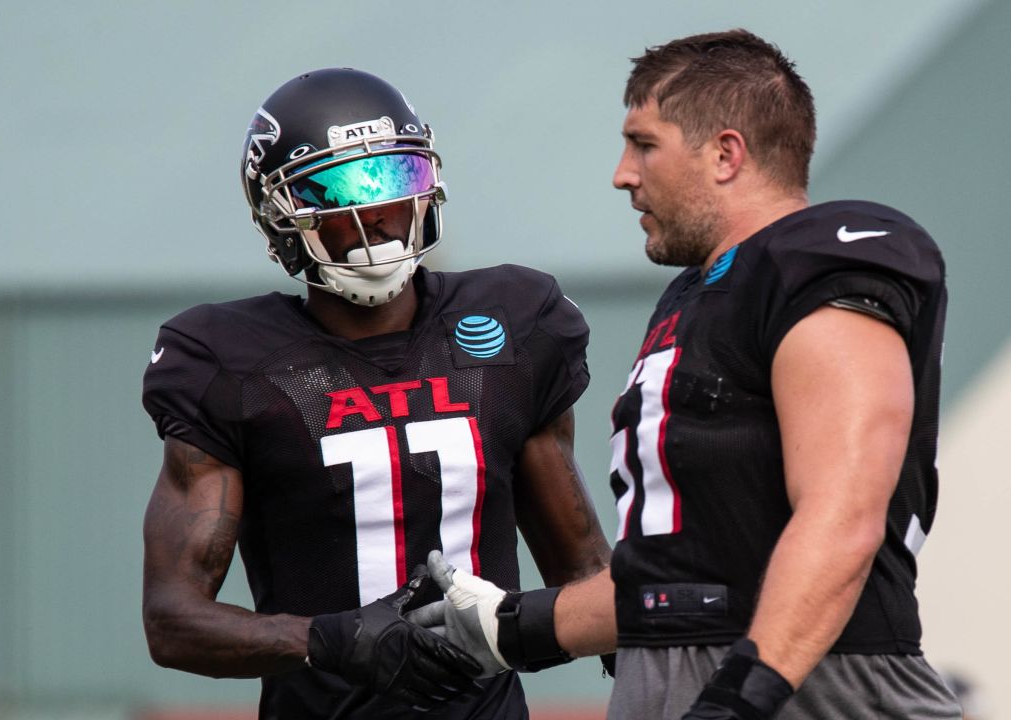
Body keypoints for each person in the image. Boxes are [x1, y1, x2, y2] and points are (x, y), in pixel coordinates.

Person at [410, 29, 962, 719]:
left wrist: (741, 697)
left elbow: (844, 516)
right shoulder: (696, 296)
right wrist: (513, 624)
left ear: (726, 153)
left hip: (811, 684)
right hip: (697, 677)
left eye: (644, 143)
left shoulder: (818, 258)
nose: (623, 173)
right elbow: (685, 581)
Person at [139, 67, 612, 719]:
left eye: (394, 178)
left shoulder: (513, 326)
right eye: (341, 187)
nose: (377, 211)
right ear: (283, 214)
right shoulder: (230, 361)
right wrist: (330, 640)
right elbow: (172, 619)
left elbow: (584, 569)